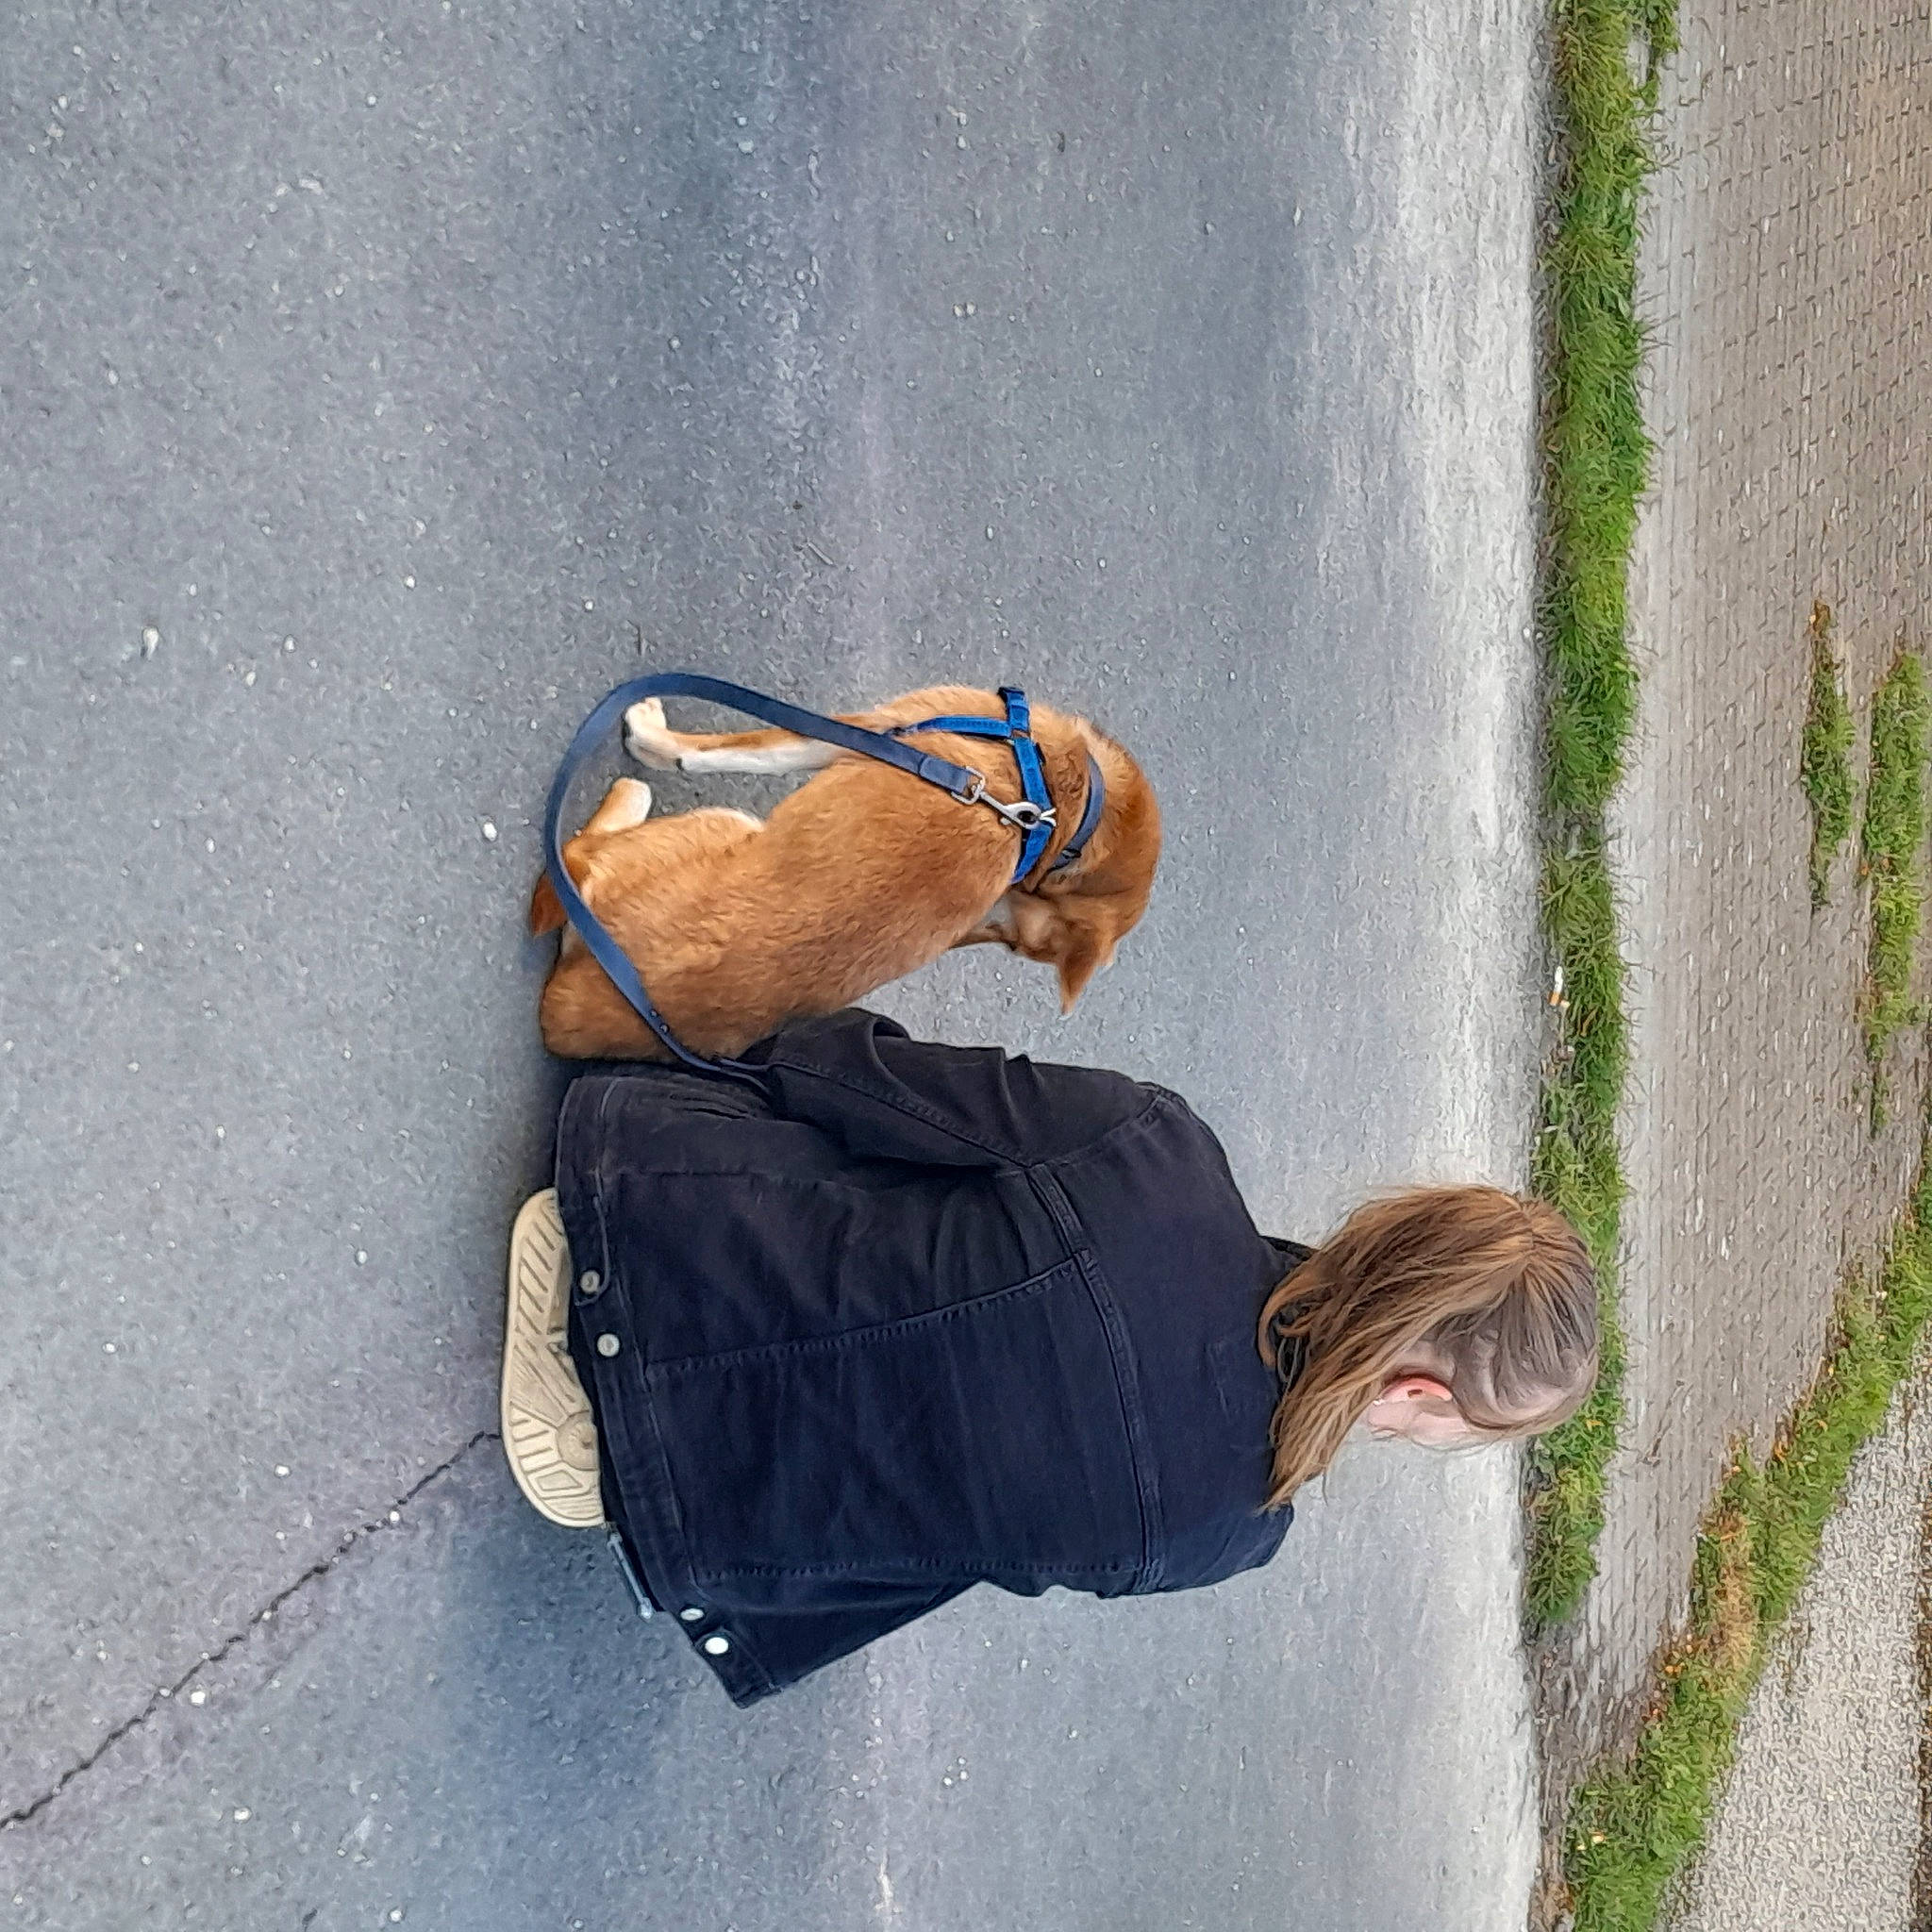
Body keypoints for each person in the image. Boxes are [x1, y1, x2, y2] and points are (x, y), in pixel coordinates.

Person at [501, 1009, 1598, 1707]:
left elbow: (847, 1073)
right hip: (644, 1498)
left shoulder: (1155, 1151)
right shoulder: (1226, 1532)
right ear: (1417, 1395)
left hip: (615, 1225)